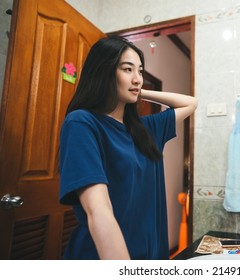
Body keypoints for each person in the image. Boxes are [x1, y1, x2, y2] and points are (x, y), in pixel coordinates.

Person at [59, 36, 197, 260]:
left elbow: (191, 103)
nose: (137, 78)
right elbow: (98, 211)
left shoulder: (147, 128)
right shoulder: (82, 123)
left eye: (140, 71)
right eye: (127, 69)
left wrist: (138, 91)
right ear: (104, 72)